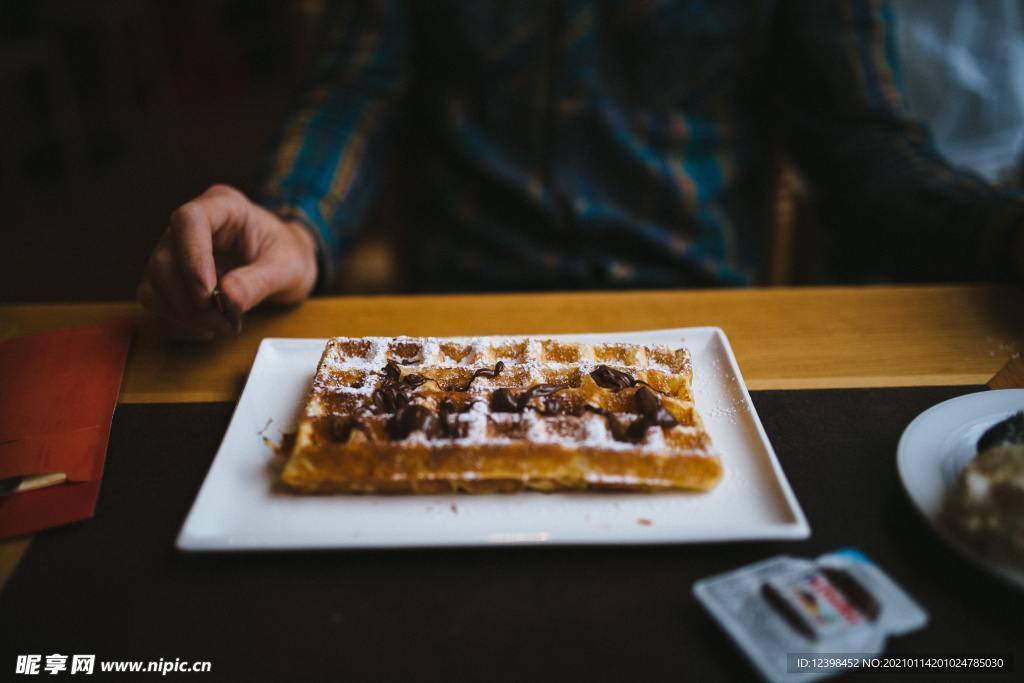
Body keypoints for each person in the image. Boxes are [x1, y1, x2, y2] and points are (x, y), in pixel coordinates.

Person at [138, 0, 1024, 339]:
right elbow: (357, 87)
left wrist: (999, 231)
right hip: (461, 325)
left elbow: (864, 144)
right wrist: (293, 223)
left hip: (706, 333)